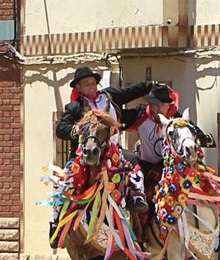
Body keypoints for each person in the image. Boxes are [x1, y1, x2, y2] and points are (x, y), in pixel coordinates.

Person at [55, 67, 154, 212]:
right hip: (86, 154)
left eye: (93, 82)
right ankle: (58, 220)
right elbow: (61, 128)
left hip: (114, 151)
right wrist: (78, 129)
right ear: (78, 87)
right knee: (63, 184)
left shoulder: (109, 96)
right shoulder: (75, 107)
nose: (91, 85)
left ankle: (137, 196)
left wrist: (151, 85)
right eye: (86, 83)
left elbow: (130, 92)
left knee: (133, 159)